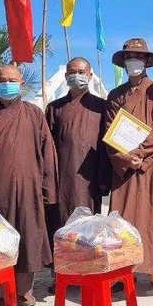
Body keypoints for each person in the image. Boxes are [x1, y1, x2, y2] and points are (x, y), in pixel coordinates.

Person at [0, 63, 58, 306]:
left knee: (29, 238)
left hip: (30, 189)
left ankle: (24, 291)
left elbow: (47, 152)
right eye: (2, 80)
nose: (7, 84)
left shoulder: (35, 114)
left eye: (12, 79)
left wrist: (48, 190)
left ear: (22, 84)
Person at [105, 38, 153, 293]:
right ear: (124, 62)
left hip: (152, 166)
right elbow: (110, 130)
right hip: (124, 169)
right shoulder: (115, 95)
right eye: (129, 57)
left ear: (147, 61)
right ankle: (124, 274)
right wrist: (127, 157)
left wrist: (142, 154)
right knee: (122, 220)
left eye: (138, 57)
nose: (133, 61)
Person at [45, 57, 109, 245]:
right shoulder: (54, 108)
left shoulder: (101, 106)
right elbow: (46, 146)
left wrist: (105, 177)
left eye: (81, 73)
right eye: (72, 72)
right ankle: (62, 273)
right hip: (62, 178)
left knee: (89, 230)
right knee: (62, 226)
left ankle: (89, 272)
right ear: (65, 76)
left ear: (89, 76)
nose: (76, 76)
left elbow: (107, 145)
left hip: (91, 179)